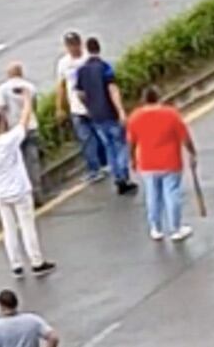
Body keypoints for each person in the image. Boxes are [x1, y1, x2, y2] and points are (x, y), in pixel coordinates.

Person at [0, 88, 56, 277]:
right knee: (27, 226)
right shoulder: (11, 139)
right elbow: (25, 118)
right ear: (2, 124)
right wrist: (27, 98)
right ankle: (37, 262)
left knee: (9, 229)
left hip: (1, 194)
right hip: (20, 190)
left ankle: (16, 265)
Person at [126, 87, 197, 242]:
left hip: (147, 163)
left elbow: (131, 142)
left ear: (143, 100)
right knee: (172, 194)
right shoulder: (171, 114)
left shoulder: (135, 117)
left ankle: (156, 229)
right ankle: (175, 229)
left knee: (152, 195)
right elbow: (185, 137)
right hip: (170, 161)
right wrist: (192, 153)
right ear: (159, 97)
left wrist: (132, 159)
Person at [74, 39, 137, 196]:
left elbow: (80, 93)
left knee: (108, 146)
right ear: (99, 49)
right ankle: (124, 176)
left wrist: (88, 107)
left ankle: (117, 177)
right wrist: (121, 110)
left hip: (95, 116)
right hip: (110, 113)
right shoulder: (105, 67)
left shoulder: (81, 71)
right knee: (120, 144)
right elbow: (112, 89)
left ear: (87, 50)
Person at [55, 31, 106, 183]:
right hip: (76, 108)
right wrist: (59, 107)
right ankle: (94, 169)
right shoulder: (63, 63)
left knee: (99, 136)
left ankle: (105, 163)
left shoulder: (88, 59)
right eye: (70, 45)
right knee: (86, 139)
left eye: (75, 44)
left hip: (94, 105)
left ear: (80, 43)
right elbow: (61, 86)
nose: (73, 48)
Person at [0, 63, 43, 203]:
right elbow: (34, 107)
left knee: (16, 164)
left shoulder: (2, 89)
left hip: (13, 131)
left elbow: (0, 111)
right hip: (31, 127)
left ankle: (23, 195)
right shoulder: (30, 87)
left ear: (9, 74)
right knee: (32, 162)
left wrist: (0, 132)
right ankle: (37, 194)